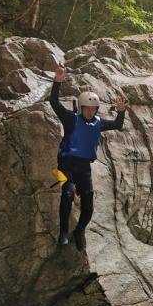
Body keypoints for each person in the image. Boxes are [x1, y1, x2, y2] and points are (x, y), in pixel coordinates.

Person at [49, 64, 128, 250]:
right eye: (87, 108)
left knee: (89, 206)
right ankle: (63, 233)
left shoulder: (98, 124)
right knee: (67, 193)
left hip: (84, 168)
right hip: (66, 165)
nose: (90, 112)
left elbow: (117, 124)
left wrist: (121, 111)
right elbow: (54, 103)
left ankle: (79, 231)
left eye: (93, 109)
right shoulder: (70, 119)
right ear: (81, 108)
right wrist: (57, 82)